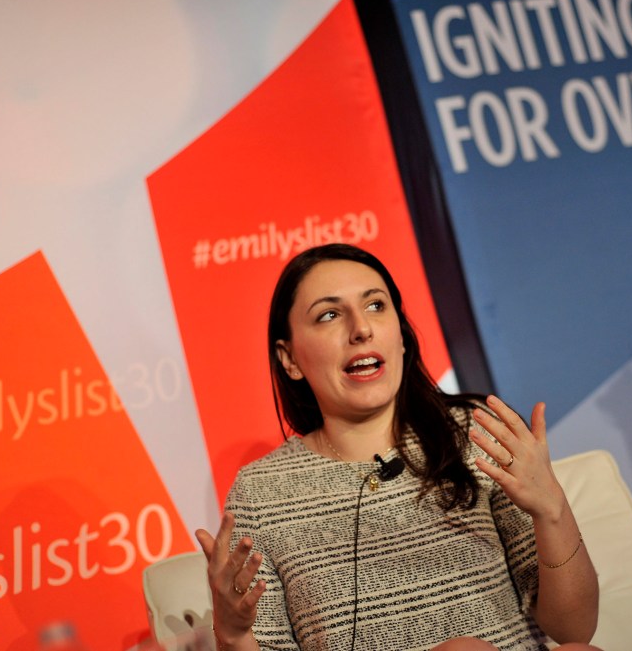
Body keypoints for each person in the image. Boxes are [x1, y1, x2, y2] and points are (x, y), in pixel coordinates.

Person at [196, 244, 601, 651]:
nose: (361, 329)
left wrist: (553, 511)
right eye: (329, 315)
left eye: (375, 306)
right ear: (290, 360)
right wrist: (231, 633)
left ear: (401, 336)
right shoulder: (260, 493)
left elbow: (574, 629)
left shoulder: (475, 432)